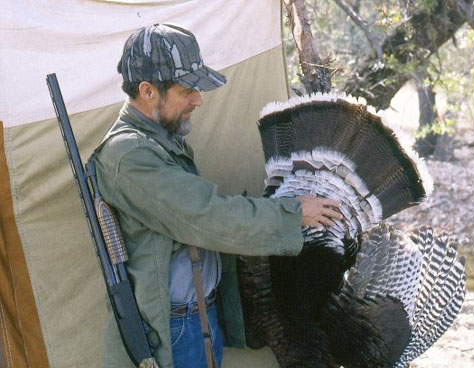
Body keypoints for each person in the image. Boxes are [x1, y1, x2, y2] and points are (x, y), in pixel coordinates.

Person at [91, 23, 341, 368]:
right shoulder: (129, 155)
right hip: (173, 330)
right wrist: (292, 213)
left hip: (198, 319)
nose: (198, 99)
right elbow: (206, 216)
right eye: (186, 90)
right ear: (148, 91)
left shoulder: (160, 140)